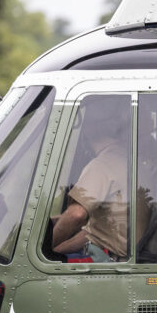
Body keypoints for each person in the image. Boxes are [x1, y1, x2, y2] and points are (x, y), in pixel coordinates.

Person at [52, 101, 130, 262]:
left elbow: (76, 215)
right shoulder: (126, 159)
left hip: (107, 259)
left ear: (88, 130)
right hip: (115, 253)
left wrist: (44, 248)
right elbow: (95, 231)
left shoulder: (102, 165)